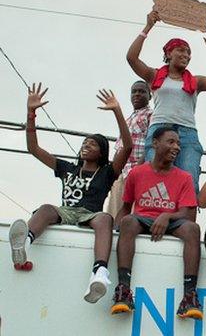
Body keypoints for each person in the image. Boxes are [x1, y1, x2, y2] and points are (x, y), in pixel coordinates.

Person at [9, 83, 132, 305]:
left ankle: (99, 273)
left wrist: (117, 111)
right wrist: (31, 114)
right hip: (66, 212)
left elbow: (128, 147)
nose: (86, 146)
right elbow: (33, 149)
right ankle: (24, 244)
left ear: (102, 151)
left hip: (90, 215)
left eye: (93, 144)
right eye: (85, 143)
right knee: (46, 208)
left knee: (105, 217)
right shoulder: (67, 168)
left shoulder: (106, 173)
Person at [126, 10, 206, 194]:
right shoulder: (154, 76)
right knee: (154, 180)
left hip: (187, 134)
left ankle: (184, 221)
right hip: (159, 130)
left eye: (188, 53)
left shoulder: (195, 81)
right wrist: (148, 27)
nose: (186, 55)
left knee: (188, 182)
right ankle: (150, 218)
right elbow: (131, 58)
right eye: (181, 50)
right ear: (168, 54)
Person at [111, 126, 202, 320]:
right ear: (155, 143)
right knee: (127, 222)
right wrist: (114, 230)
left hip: (172, 221)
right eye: (171, 142)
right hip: (142, 219)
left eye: (178, 143)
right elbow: (126, 207)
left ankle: (190, 296)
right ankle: (123, 290)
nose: (176, 147)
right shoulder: (137, 173)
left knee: (193, 229)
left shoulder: (184, 176)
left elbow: (187, 213)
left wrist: (167, 216)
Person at [106, 81, 153, 216]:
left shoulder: (151, 115)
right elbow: (119, 147)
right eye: (134, 91)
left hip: (138, 169)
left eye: (141, 91)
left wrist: (138, 168)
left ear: (150, 96)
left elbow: (151, 144)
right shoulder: (128, 119)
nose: (137, 94)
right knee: (113, 213)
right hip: (121, 171)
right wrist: (112, 171)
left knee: (133, 213)